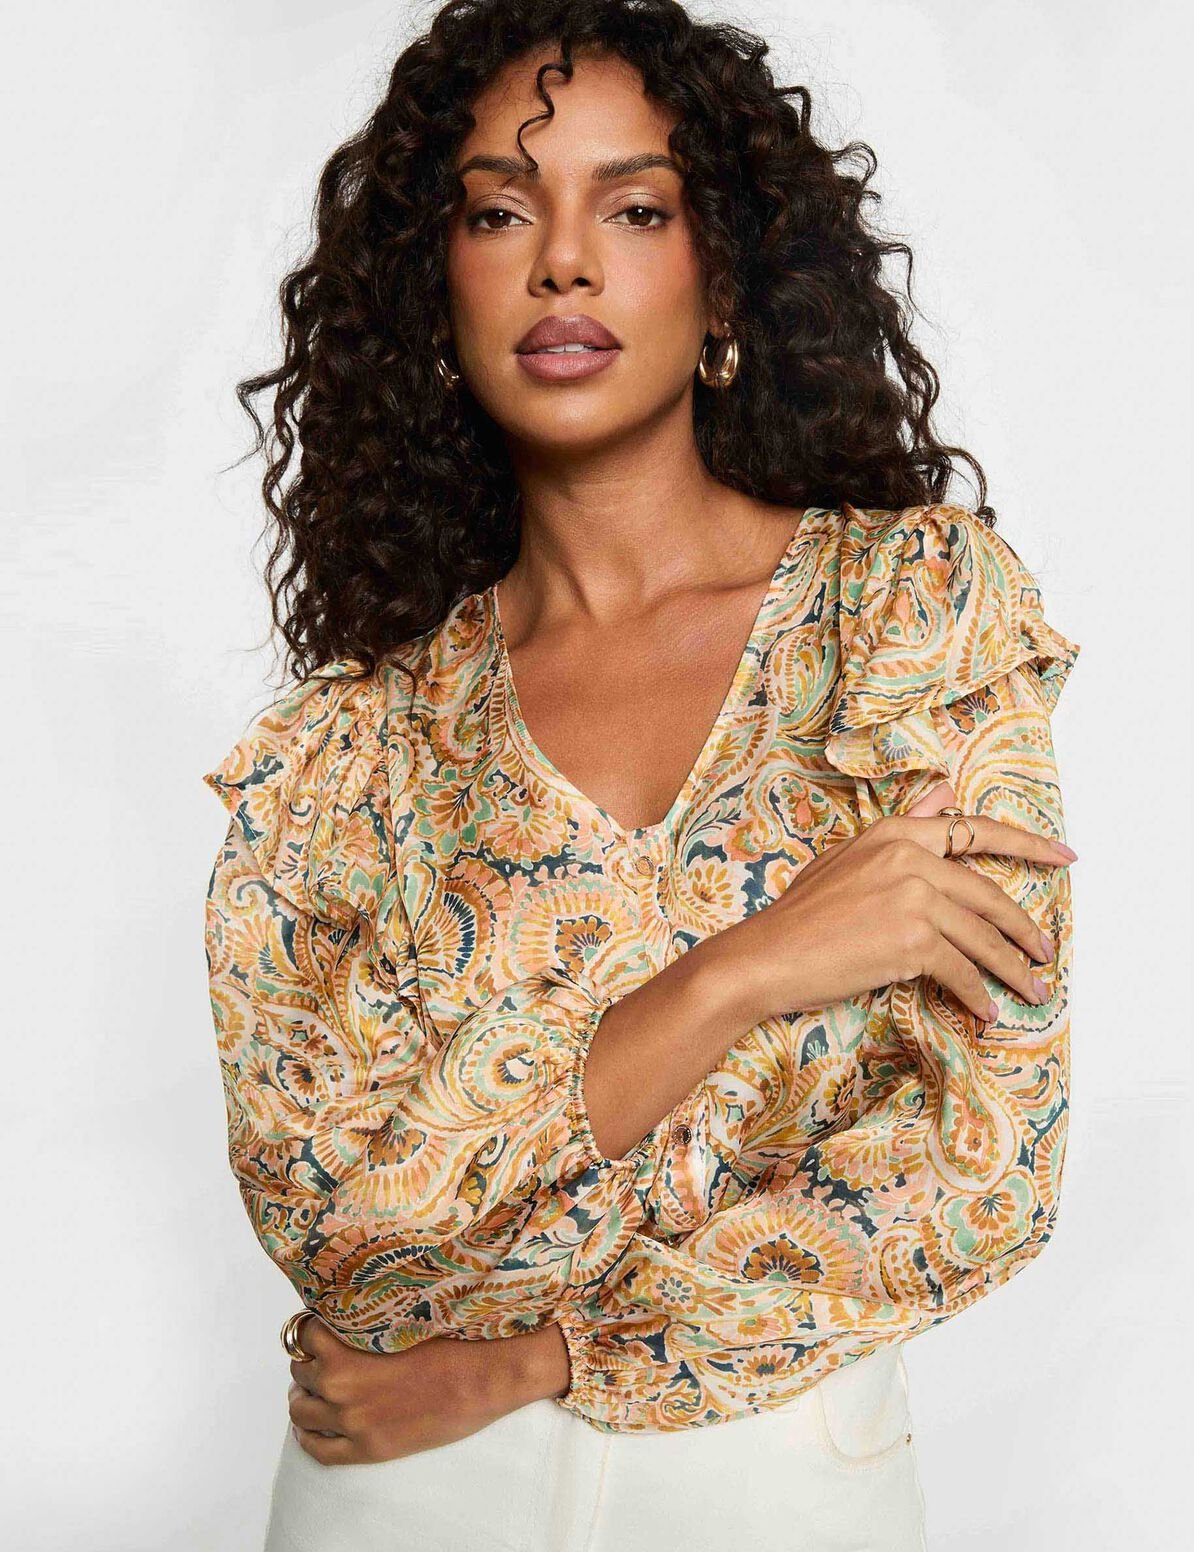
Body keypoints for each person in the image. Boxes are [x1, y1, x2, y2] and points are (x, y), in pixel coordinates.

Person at [201, 2, 1081, 1547]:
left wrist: (541, 1357)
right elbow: (347, 1238)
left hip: (773, 1483)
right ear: (432, 294)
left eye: (633, 208)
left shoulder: (909, 618)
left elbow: (980, 1169)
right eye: (497, 212)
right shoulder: (350, 748)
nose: (562, 262)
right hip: (399, 1500)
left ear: (720, 275)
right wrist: (742, 970)